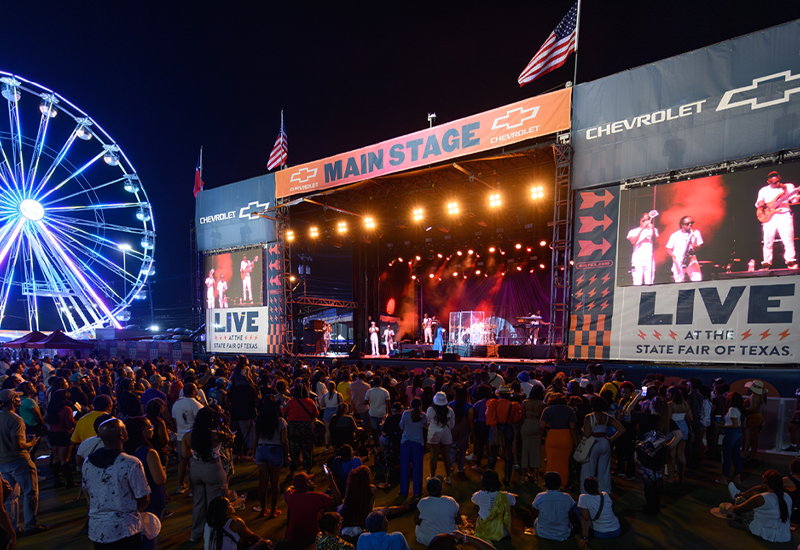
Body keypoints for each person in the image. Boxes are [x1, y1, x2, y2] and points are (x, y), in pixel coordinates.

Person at [82, 418, 150, 549]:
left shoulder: (88, 462)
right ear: (122, 435)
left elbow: (88, 492)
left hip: (97, 529)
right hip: (126, 528)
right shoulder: (131, 462)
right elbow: (143, 497)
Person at [625, 392, 682, 514]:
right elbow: (679, 435)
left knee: (648, 482)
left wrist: (637, 397)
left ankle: (650, 507)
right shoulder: (666, 420)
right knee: (658, 479)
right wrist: (668, 445)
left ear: (651, 405)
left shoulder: (643, 417)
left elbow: (628, 411)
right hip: (660, 454)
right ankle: (656, 506)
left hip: (645, 454)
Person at [183, 407, 233, 543]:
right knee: (215, 503)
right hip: (213, 468)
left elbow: (184, 455)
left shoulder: (189, 435)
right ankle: (213, 534)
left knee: (198, 503)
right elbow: (230, 441)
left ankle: (196, 534)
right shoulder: (217, 435)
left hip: (196, 467)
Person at [0, 389, 46, 536]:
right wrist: (30, 442)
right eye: (17, 398)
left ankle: (13, 527)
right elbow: (18, 445)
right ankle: (30, 525)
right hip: (19, 461)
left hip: (3, 463)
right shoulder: (16, 419)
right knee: (30, 493)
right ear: (13, 400)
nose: (20, 400)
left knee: (11, 497)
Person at [123, 417, 167, 550]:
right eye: (150, 427)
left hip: (131, 496)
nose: (152, 428)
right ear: (142, 431)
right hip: (151, 496)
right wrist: (163, 470)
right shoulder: (149, 452)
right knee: (150, 532)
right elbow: (159, 479)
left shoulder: (124, 451)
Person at [729, 469, 792, 543]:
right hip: (785, 535)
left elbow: (737, 509)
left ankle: (737, 497)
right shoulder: (788, 497)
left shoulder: (762, 498)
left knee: (740, 501)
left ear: (766, 484)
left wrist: (732, 508)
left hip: (764, 534)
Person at [580, 396, 625, 494]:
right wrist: (611, 439)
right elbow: (622, 429)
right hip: (604, 442)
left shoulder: (589, 417)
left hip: (592, 443)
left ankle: (586, 492)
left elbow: (587, 434)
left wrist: (581, 430)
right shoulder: (607, 417)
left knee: (588, 469)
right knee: (604, 470)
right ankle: (605, 491)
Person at [755, 170, 798, 270]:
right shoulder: (763, 190)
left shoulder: (788, 187)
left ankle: (791, 261)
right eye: (774, 182)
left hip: (784, 214)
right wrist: (762, 204)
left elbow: (794, 200)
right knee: (767, 240)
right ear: (769, 182)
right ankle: (766, 263)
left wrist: (798, 195)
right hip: (769, 216)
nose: (777, 184)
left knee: (788, 239)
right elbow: (759, 203)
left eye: (778, 181)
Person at [252, 398, 288, 518]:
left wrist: (253, 453)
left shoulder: (258, 420)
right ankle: (273, 510)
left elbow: (255, 439)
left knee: (262, 481)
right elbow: (284, 441)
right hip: (275, 450)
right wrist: (287, 455)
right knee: (274, 482)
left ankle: (263, 509)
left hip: (261, 450)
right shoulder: (280, 421)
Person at [285, 472, 341, 547]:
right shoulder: (316, 497)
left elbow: (288, 489)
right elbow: (338, 500)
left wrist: (295, 486)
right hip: (310, 536)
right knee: (327, 509)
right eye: (308, 481)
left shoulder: (290, 495)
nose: (311, 482)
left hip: (293, 535)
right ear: (305, 485)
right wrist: (331, 480)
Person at [539, 394, 578, 488]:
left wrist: (550, 426)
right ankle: (563, 484)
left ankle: (550, 483)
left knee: (551, 461)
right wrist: (576, 441)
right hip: (566, 436)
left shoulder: (547, 410)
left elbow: (541, 425)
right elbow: (573, 427)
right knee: (564, 462)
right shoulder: (569, 410)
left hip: (552, 436)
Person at [204, 495, 272, 550]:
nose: (232, 504)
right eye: (229, 504)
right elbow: (251, 536)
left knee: (242, 540)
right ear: (223, 510)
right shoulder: (234, 522)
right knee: (266, 543)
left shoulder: (208, 524)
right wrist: (263, 540)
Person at [172, 382, 203, 494]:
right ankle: (191, 489)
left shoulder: (177, 403)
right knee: (194, 463)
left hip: (181, 436)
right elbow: (200, 421)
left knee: (182, 461)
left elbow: (175, 420)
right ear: (194, 391)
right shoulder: (196, 404)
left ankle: (180, 485)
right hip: (193, 437)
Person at [486, 386, 521, 485]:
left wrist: (494, 425)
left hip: (496, 428)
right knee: (508, 454)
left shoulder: (493, 404)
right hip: (508, 428)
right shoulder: (513, 405)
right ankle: (507, 478)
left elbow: (489, 418)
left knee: (493, 453)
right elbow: (515, 419)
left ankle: (489, 476)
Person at [471, 470, 516, 541]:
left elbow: (473, 500)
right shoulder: (504, 495)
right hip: (501, 532)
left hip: (483, 530)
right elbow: (514, 500)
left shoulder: (479, 495)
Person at [282, 383, 317, 474]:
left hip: (293, 428)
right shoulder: (310, 402)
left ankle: (292, 472)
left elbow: (283, 412)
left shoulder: (290, 402)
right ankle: (308, 471)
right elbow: (316, 414)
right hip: (307, 428)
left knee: (293, 451)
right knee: (307, 450)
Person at [414, 476, 460, 546]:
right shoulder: (451, 500)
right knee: (456, 529)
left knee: (418, 526)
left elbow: (417, 521)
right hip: (449, 539)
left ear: (428, 491)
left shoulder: (422, 502)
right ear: (441, 489)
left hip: (429, 540)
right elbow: (458, 521)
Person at [530, 471, 576, 541]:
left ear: (545, 484)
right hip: (563, 533)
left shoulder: (540, 496)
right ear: (560, 484)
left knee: (536, 521)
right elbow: (572, 511)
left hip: (543, 532)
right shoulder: (567, 497)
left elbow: (534, 508)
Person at [577, 476, 621, 547]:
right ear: (597, 487)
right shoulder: (605, 494)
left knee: (579, 512)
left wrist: (585, 537)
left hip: (600, 533)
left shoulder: (583, 498)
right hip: (616, 530)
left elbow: (585, 519)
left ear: (584, 488)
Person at [47, 388, 77, 488]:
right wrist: (76, 421)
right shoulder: (67, 409)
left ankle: (57, 480)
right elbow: (69, 424)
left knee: (55, 458)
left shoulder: (50, 408)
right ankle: (69, 481)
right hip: (63, 434)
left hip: (52, 434)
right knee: (65, 459)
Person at [399, 397, 427, 497]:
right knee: (417, 468)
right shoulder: (423, 415)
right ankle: (417, 491)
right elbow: (424, 426)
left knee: (405, 467)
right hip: (418, 444)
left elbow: (401, 426)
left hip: (406, 443)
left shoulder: (406, 414)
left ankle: (404, 491)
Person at [427, 392, 455, 484]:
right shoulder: (450, 411)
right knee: (446, 456)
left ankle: (432, 476)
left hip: (433, 433)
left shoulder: (431, 410)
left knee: (433, 456)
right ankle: (448, 477)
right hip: (446, 433)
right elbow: (452, 424)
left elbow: (428, 421)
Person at [519, 385, 545, 483]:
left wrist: (519, 427)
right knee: (536, 451)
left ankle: (522, 476)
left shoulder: (525, 402)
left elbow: (522, 417)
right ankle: (535, 476)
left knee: (525, 450)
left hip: (527, 424)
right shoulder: (542, 404)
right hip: (537, 426)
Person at [719, 392, 746, 485]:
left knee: (726, 456)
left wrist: (723, 426)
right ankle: (737, 476)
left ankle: (724, 477)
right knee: (736, 455)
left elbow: (735, 424)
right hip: (738, 433)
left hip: (731, 433)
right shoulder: (739, 409)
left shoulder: (732, 409)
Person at [666, 216, 703, 282]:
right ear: (682, 225)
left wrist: (695, 246)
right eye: (687, 224)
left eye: (691, 223)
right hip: (679, 261)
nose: (690, 225)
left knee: (698, 279)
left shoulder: (696, 233)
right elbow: (668, 249)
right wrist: (673, 256)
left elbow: (699, 247)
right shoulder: (675, 235)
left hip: (692, 261)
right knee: (679, 282)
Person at [667, 386, 692, 483]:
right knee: (681, 454)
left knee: (671, 454)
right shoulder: (686, 404)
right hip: (684, 427)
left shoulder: (670, 405)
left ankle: (670, 478)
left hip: (674, 428)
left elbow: (669, 418)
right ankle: (681, 477)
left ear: (671, 395)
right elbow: (691, 418)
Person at [627, 211, 659, 285]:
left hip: (649, 260)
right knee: (637, 282)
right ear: (640, 221)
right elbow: (633, 242)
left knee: (650, 282)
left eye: (647, 220)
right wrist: (642, 229)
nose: (646, 222)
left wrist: (653, 229)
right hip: (638, 260)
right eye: (643, 220)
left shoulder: (653, 230)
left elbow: (656, 242)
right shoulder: (633, 231)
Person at [448, 387, 473, 474]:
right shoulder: (469, 406)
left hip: (453, 426)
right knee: (463, 448)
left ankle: (450, 466)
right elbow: (471, 419)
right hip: (464, 427)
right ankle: (460, 468)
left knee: (452, 446)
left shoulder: (451, 404)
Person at [742, 380, 767, 464]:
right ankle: (752, 455)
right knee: (754, 437)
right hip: (758, 417)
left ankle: (744, 454)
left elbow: (752, 408)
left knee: (748, 436)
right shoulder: (761, 396)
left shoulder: (753, 396)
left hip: (752, 417)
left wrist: (744, 411)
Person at [365, 378, 391, 449]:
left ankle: (376, 445)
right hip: (382, 413)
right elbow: (388, 403)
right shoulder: (385, 391)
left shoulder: (369, 391)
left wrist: (371, 402)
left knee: (374, 430)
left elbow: (366, 402)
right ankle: (383, 443)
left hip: (372, 412)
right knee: (383, 429)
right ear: (381, 382)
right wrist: (389, 412)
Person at [321, 382, 344, 450]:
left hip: (327, 411)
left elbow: (322, 405)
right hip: (335, 412)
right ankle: (336, 444)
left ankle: (327, 445)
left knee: (327, 430)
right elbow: (342, 403)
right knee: (336, 429)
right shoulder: (338, 394)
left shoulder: (325, 395)